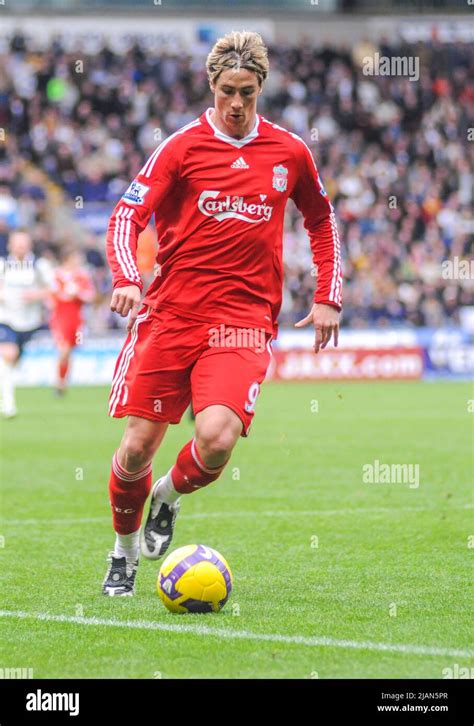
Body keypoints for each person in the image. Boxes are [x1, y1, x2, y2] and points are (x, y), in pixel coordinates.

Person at [102, 31, 342, 596]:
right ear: (212, 85)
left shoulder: (289, 152)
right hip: (171, 316)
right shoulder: (180, 148)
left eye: (248, 93)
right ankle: (123, 551)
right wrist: (127, 280)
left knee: (215, 438)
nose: (237, 104)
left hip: (243, 321)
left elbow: (322, 220)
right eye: (228, 91)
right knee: (137, 446)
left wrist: (329, 293)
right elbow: (125, 217)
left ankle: (167, 497)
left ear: (261, 89)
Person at [0, 229, 52, 418]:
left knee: (13, 363)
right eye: (17, 243)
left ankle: (5, 393)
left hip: (30, 323)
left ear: (29, 244)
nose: (20, 246)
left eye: (23, 243)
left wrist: (35, 295)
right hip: (5, 319)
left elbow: (51, 289)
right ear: (10, 245)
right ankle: (8, 404)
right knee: (8, 354)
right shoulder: (3, 264)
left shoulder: (40, 265)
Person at [49, 245, 95, 395]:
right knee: (64, 348)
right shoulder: (57, 274)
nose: (79, 260)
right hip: (60, 316)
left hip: (76, 317)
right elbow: (51, 295)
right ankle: (58, 382)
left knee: (69, 351)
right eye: (76, 257)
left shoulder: (82, 276)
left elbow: (91, 296)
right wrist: (64, 294)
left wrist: (78, 293)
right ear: (67, 258)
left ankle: (63, 382)